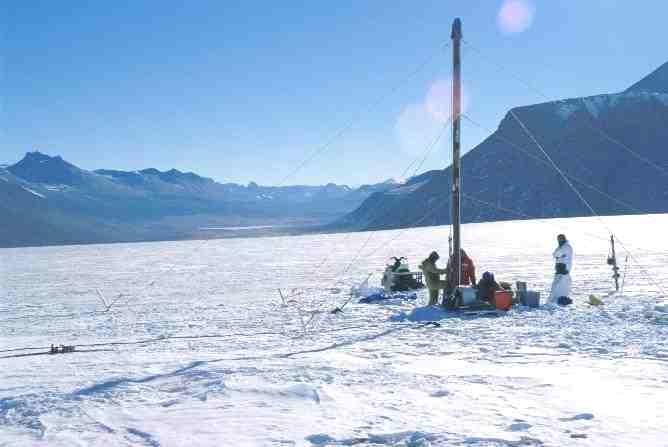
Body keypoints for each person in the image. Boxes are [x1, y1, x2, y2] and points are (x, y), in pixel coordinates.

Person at [549, 234, 573, 305]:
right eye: (558, 239)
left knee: (561, 284)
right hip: (559, 268)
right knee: (556, 284)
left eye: (560, 239)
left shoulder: (566, 247)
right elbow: (554, 254)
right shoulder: (560, 246)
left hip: (564, 268)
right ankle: (556, 298)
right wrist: (559, 256)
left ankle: (561, 298)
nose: (559, 240)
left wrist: (559, 256)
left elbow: (558, 254)